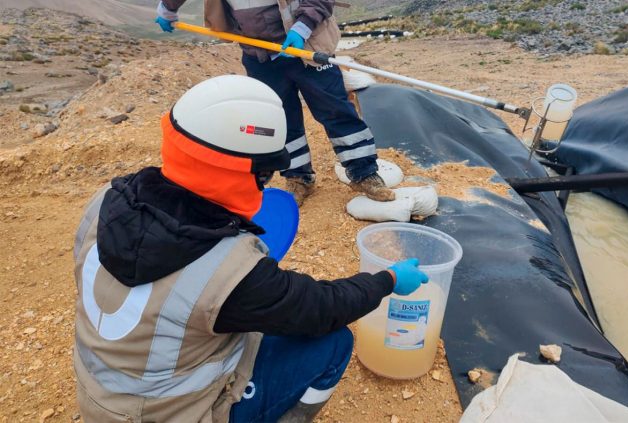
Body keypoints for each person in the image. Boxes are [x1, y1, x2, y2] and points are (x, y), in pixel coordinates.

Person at [72, 75, 429, 422]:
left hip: (99, 398)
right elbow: (321, 308)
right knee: (331, 344)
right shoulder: (231, 274)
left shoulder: (105, 202)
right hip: (175, 413)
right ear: (254, 174)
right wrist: (388, 279)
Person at [154, 0, 395, 206]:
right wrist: (167, 7)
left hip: (308, 46)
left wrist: (301, 28)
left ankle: (364, 173)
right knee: (279, 119)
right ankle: (299, 177)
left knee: (335, 111)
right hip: (260, 54)